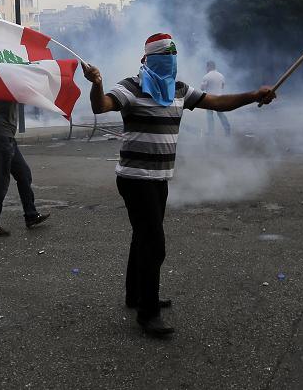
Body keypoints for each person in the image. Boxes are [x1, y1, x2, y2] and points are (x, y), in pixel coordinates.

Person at [82, 33, 276, 336]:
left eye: (172, 58)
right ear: (146, 60)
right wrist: (96, 83)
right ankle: (148, 313)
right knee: (153, 243)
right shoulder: (131, 87)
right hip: (135, 178)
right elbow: (101, 106)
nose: (169, 64)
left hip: (159, 176)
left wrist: (253, 95)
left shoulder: (179, 90)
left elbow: (218, 103)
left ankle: (136, 295)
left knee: (143, 237)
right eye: (163, 58)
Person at [0, 100, 50, 236]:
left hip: (7, 137)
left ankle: (31, 215)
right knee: (1, 181)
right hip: (1, 137)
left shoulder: (8, 87)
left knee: (24, 174)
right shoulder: (4, 89)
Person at [200, 61, 231, 136]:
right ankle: (227, 128)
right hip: (219, 98)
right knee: (220, 114)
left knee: (209, 116)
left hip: (210, 99)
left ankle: (211, 132)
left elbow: (202, 88)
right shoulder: (221, 75)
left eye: (206, 67)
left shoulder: (206, 76)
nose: (206, 68)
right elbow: (223, 86)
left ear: (209, 67)